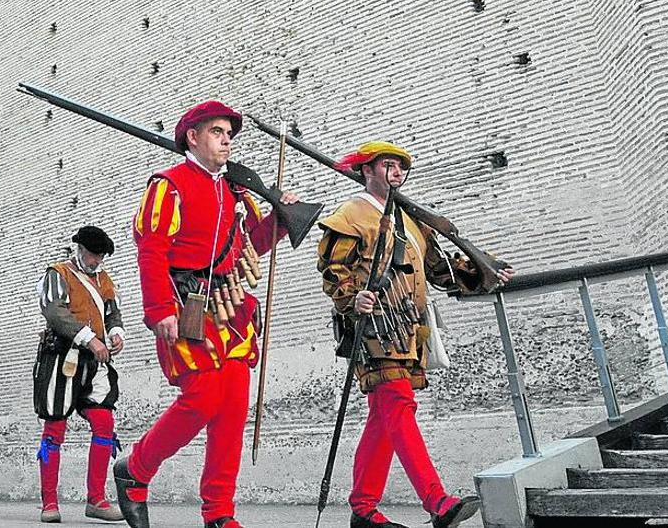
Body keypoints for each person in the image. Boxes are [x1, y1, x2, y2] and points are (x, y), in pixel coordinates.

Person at [114, 101, 297, 528]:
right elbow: (152, 249)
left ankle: (219, 512)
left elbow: (252, 245)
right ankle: (136, 469)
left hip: (232, 310)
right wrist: (159, 309)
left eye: (229, 133)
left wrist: (282, 218)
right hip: (185, 308)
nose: (227, 139)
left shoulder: (237, 192)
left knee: (232, 410)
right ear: (192, 137)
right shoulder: (169, 186)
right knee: (202, 398)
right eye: (217, 131)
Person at [318, 142, 513, 528]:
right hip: (373, 329)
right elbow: (333, 269)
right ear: (367, 170)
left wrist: (483, 270)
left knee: (384, 416)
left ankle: (363, 509)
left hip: (408, 329)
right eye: (388, 165)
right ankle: (437, 501)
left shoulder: (412, 220)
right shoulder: (350, 215)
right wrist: (352, 298)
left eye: (401, 167)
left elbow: (441, 271)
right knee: (399, 404)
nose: (397, 172)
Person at [33, 225, 125, 523]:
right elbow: (54, 312)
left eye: (101, 257)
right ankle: (49, 503)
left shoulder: (104, 279)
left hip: (95, 362)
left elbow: (111, 311)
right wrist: (90, 339)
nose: (97, 261)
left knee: (104, 423)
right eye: (93, 255)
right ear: (80, 250)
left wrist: (116, 332)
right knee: (55, 428)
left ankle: (96, 499)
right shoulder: (58, 273)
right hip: (62, 357)